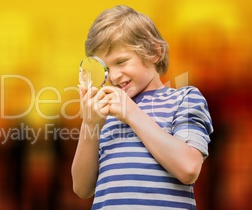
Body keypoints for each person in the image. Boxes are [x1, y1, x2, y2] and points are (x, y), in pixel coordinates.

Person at [71, 5, 213, 209]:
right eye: (105, 68)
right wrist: (90, 124)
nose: (113, 76)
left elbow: (189, 168)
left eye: (121, 61)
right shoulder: (107, 115)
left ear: (155, 53)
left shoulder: (185, 99)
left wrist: (131, 114)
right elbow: (82, 188)